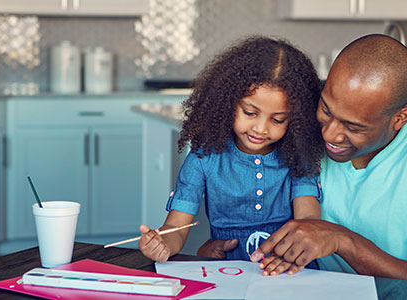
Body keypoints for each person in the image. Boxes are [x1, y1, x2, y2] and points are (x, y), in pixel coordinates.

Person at [199, 34, 407, 288]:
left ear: (400, 118)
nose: (329, 134)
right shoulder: (296, 123)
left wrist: (342, 241)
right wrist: (224, 246)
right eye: (326, 109)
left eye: (353, 127)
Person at [138, 36, 326, 265]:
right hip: (227, 271)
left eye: (277, 120)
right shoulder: (203, 158)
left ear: (296, 120)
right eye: (249, 112)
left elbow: (308, 222)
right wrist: (161, 243)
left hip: (287, 269)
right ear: (227, 102)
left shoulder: (298, 158)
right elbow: (176, 227)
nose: (260, 128)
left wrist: (292, 252)